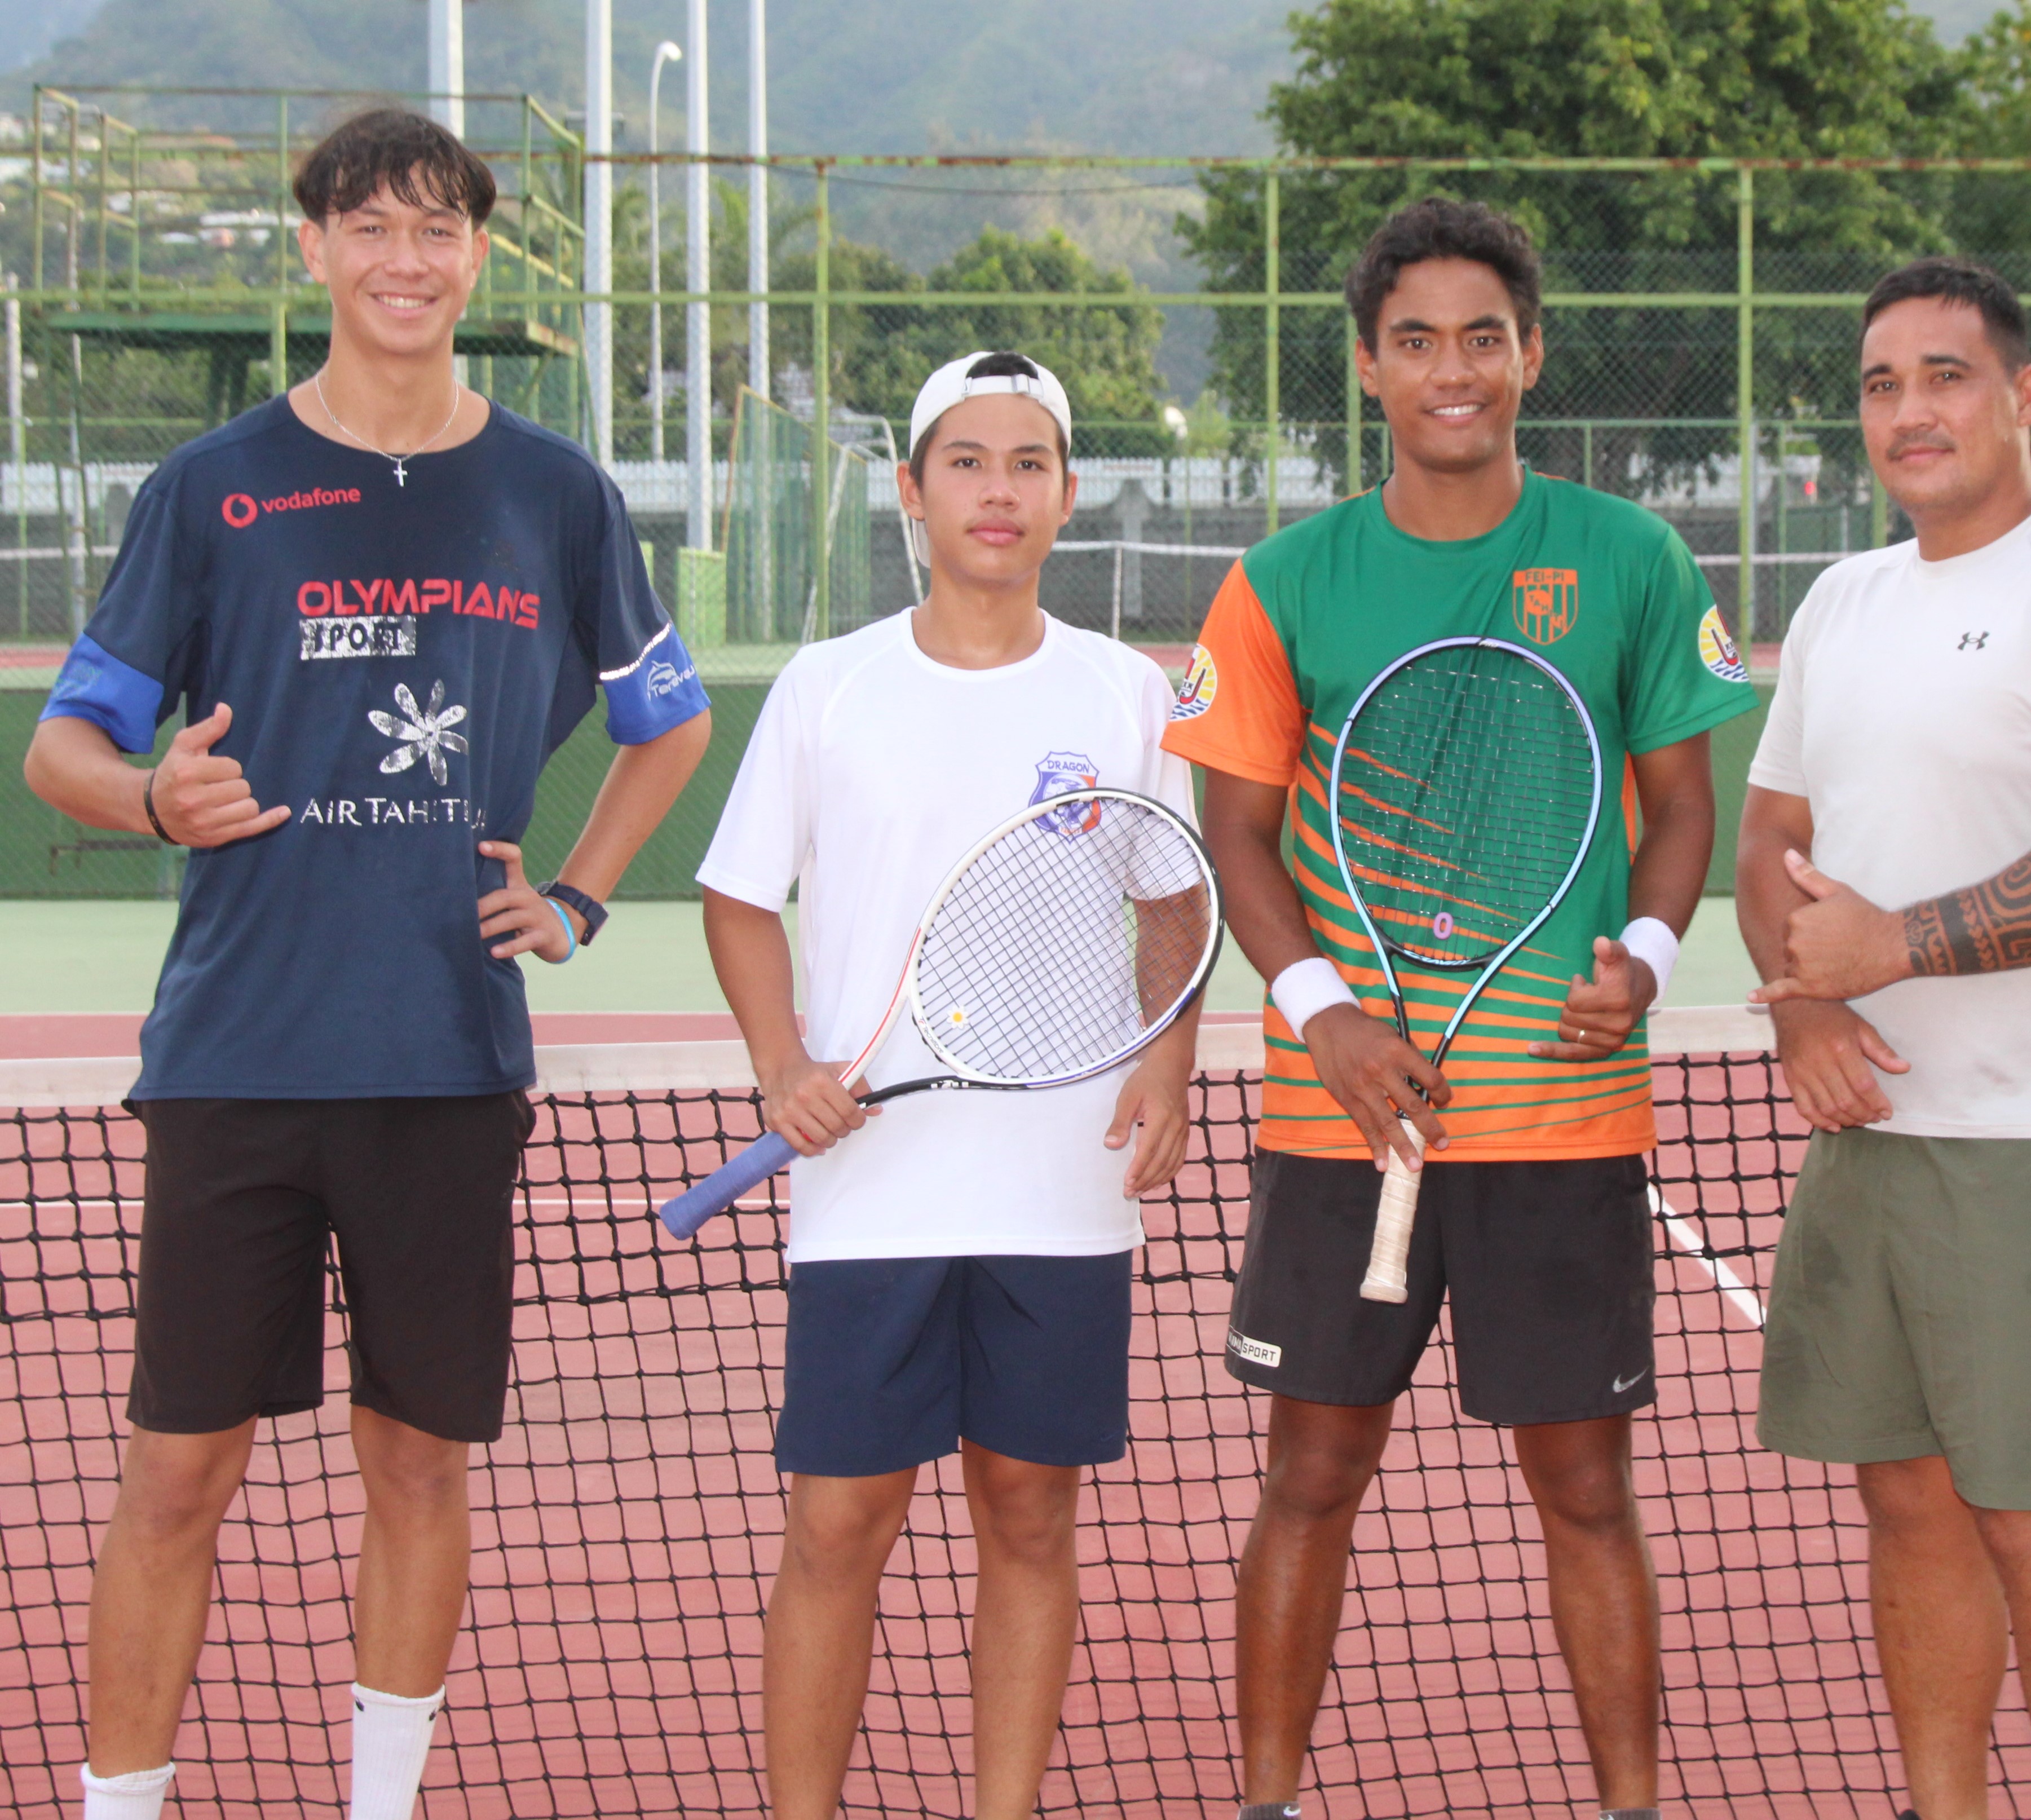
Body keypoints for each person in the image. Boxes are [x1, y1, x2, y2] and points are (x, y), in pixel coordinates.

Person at [23, 109, 712, 1820]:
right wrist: (153, 800)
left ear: (480, 256)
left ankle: (379, 1805)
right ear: (314, 249)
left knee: (416, 1462)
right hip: (237, 1059)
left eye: (440, 228)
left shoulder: (554, 491)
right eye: (370, 226)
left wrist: (578, 897)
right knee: (177, 1470)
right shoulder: (211, 487)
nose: (406, 257)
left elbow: (667, 720)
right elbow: (66, 746)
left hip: (447, 1061)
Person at [1162, 197, 1755, 1820]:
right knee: (1309, 1480)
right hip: (1334, 1109)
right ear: (1367, 365)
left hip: (1560, 1114)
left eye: (1481, 337)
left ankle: (1632, 1804)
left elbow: (1684, 807)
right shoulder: (1282, 583)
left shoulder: (1629, 558)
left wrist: (1646, 947)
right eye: (1414, 338)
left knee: (1584, 1486)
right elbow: (1234, 829)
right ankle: (1267, 1801)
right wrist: (1322, 1010)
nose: (1451, 370)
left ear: (1531, 355)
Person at [1737, 257, 2031, 1820]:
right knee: (1912, 1507)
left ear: (2023, 397)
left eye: (1946, 376)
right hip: (1875, 1138)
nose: (1909, 411)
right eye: (1882, 383)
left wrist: (1899, 944)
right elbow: (1772, 836)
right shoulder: (1842, 600)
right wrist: (1809, 997)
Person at [696, 350, 1203, 1820]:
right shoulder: (827, 685)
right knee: (837, 1522)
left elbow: (1172, 892)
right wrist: (780, 1061)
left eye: (1030, 462)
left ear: (1063, 493)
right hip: (871, 1190)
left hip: (1062, 1184)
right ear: (912, 491)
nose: (1001, 489)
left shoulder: (1126, 692)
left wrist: (1168, 1045)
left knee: (1030, 1512)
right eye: (968, 462)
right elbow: (738, 896)